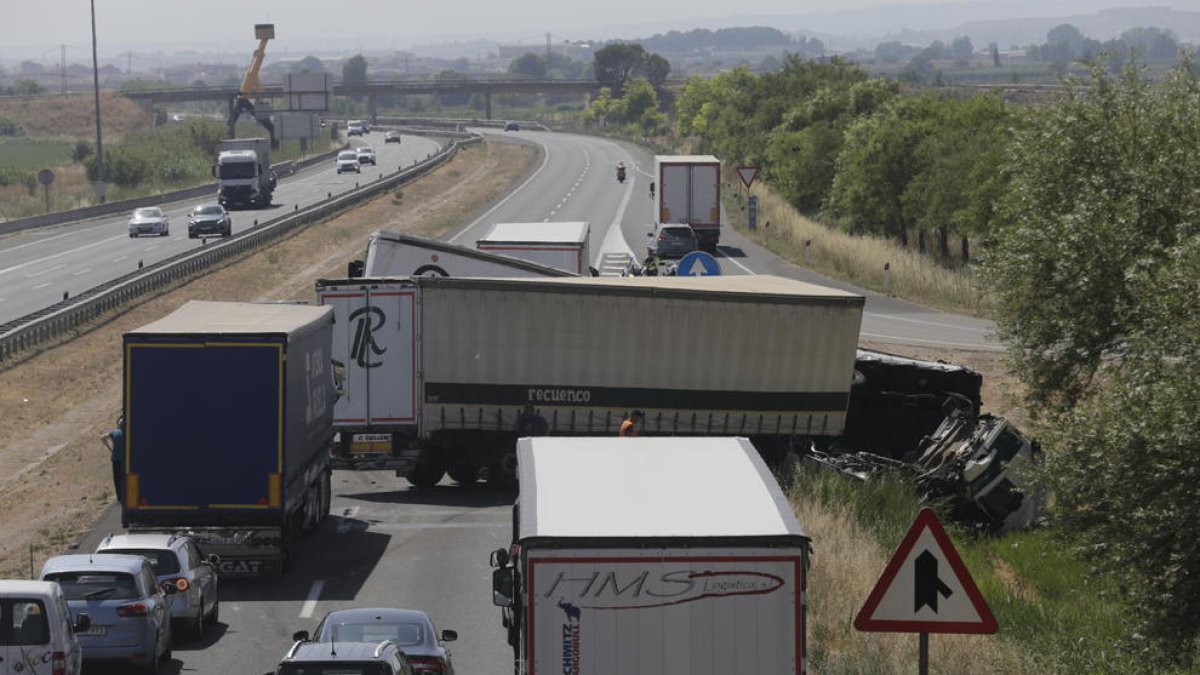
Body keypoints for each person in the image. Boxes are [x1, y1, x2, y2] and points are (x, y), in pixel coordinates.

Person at [101, 415, 125, 502]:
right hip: (126, 459)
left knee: (117, 478)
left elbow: (102, 438)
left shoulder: (114, 432)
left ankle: (119, 497)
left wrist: (110, 449)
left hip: (115, 458)